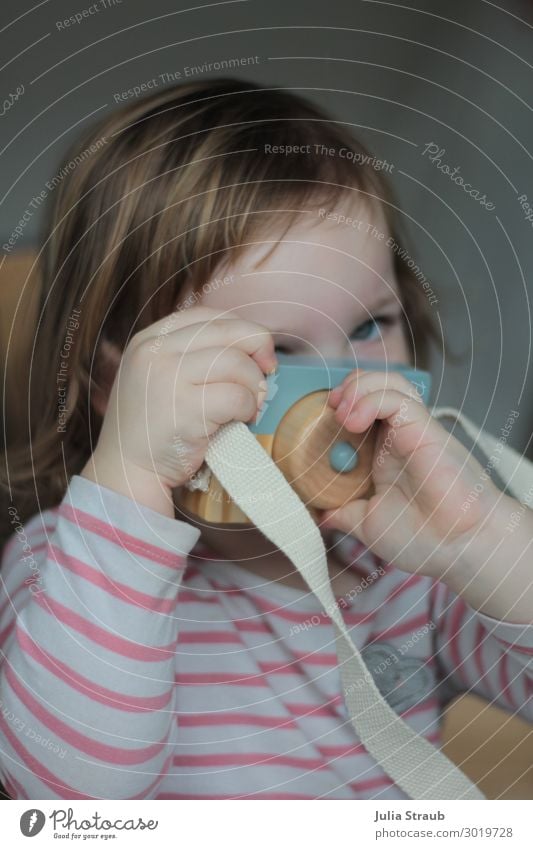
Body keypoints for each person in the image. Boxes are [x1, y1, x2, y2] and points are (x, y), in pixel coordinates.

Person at [0, 78, 531, 800]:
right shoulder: (63, 565)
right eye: (276, 348)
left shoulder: (406, 572)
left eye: (372, 324)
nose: (333, 391)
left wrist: (480, 543)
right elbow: (67, 800)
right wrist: (126, 483)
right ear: (113, 384)